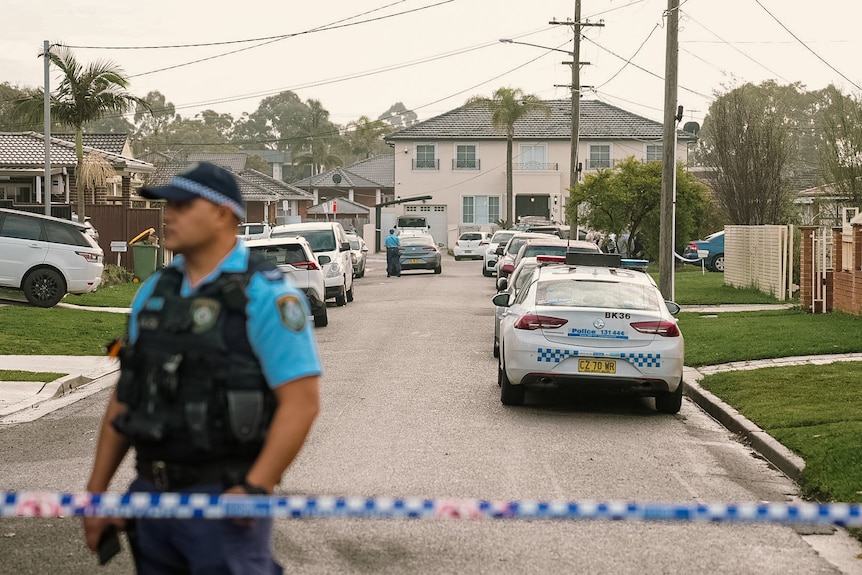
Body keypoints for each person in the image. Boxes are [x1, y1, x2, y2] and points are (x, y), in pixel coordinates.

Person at [83, 162, 322, 574]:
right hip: (152, 498)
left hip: (224, 501)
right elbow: (128, 394)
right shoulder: (155, 292)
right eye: (167, 205)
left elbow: (301, 403)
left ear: (223, 213)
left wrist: (256, 485)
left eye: (183, 204)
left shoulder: (267, 296)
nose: (168, 214)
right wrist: (97, 491)